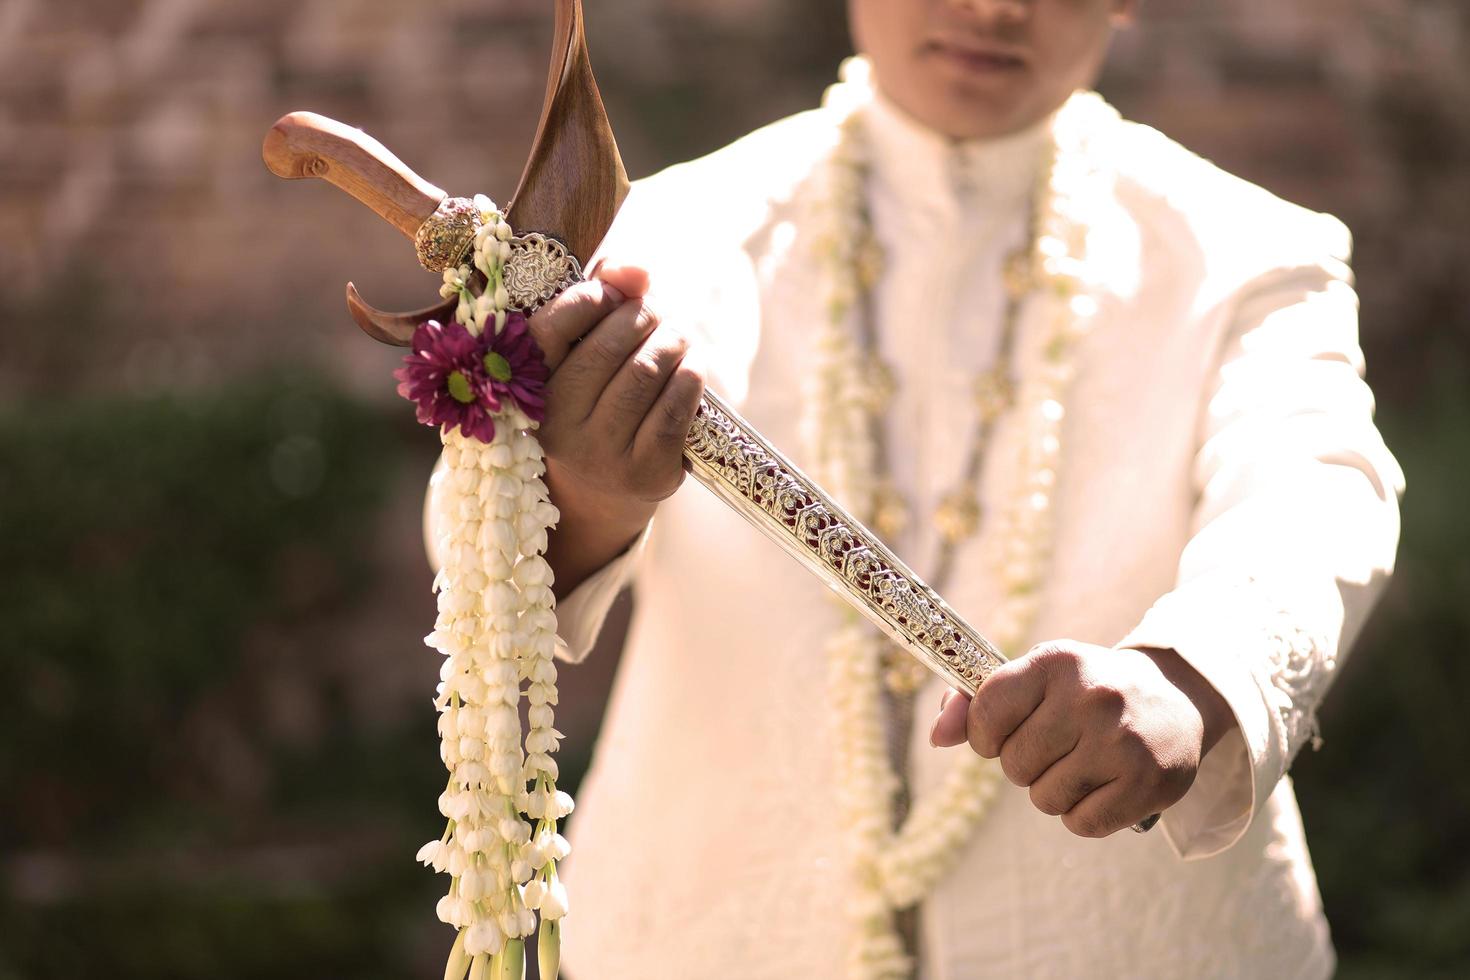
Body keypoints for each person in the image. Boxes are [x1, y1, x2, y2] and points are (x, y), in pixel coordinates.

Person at [449, 1, 1404, 976]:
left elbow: (1317, 488)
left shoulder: (1247, 254)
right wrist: (589, 496)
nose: (994, 6)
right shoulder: (664, 237)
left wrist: (1193, 675)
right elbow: (467, 540)